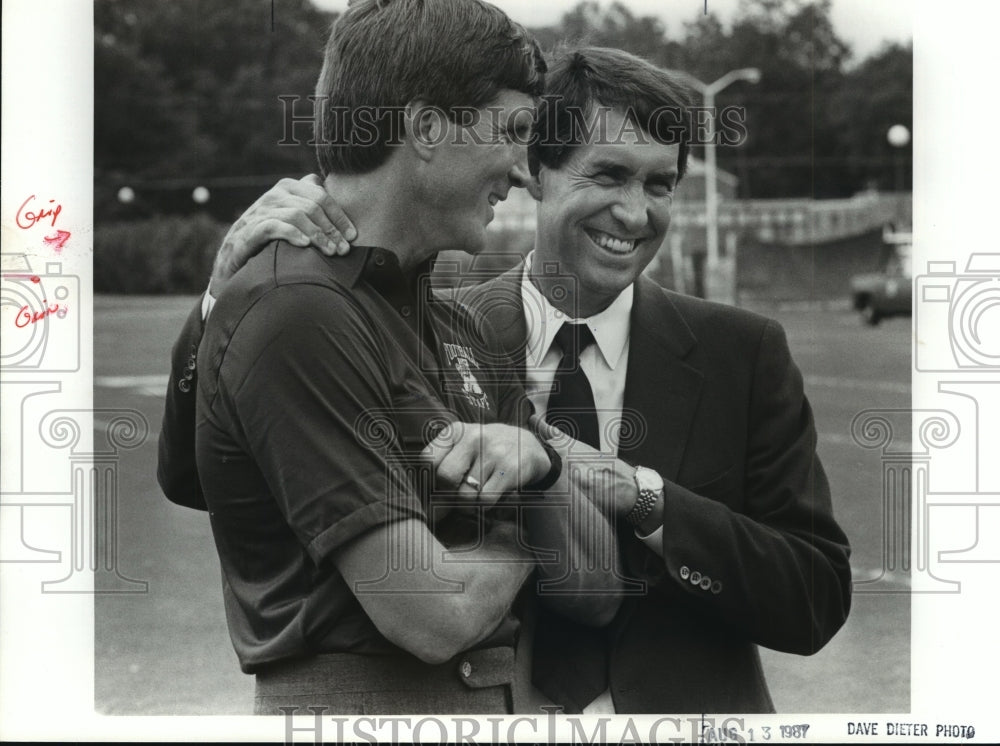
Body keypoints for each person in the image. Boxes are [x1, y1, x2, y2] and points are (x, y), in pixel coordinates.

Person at [163, 45, 853, 713]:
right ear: (536, 171)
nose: (637, 213)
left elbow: (815, 597)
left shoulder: (743, 352)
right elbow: (205, 476)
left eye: (659, 184)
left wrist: (648, 499)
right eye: (608, 176)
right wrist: (222, 299)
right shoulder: (443, 328)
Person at [167, 0, 624, 716]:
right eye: (510, 133)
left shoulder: (461, 328)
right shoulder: (298, 309)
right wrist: (519, 541)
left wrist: (540, 471)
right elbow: (428, 612)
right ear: (428, 129)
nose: (522, 173)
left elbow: (598, 591)